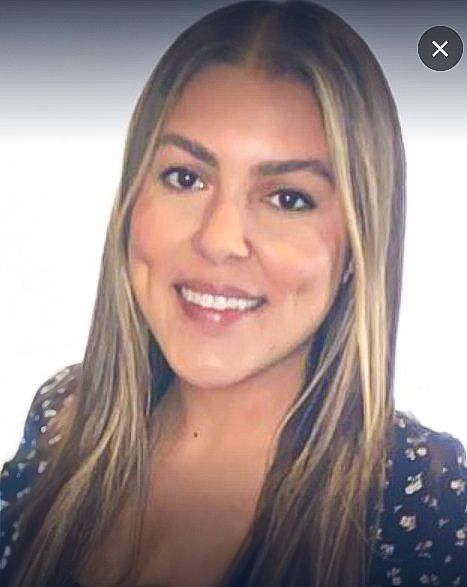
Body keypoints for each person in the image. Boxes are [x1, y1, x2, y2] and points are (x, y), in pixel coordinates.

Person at [1, 1, 466, 586]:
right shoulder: (63, 419)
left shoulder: (428, 501)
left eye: (288, 198)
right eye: (186, 178)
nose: (220, 240)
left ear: (357, 248)